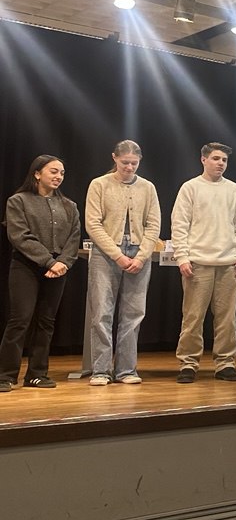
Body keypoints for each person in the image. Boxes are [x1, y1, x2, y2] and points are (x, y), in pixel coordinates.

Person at [171, 142, 236, 383]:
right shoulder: (191, 187)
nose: (221, 163)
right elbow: (179, 224)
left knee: (227, 319)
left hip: (229, 263)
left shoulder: (234, 189)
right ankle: (188, 363)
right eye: (216, 158)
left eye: (224, 160)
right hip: (198, 262)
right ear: (203, 159)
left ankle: (225, 363)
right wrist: (182, 256)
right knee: (193, 317)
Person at [83, 140, 161, 385]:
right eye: (125, 162)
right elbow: (92, 223)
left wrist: (141, 256)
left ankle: (126, 370)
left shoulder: (148, 187)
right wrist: (117, 254)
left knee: (134, 313)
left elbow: (153, 225)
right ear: (114, 158)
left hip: (138, 252)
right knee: (101, 312)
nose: (129, 167)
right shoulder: (99, 184)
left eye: (134, 163)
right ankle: (101, 370)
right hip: (106, 252)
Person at [1, 156, 80, 391]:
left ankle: (37, 374)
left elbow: (74, 237)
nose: (58, 176)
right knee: (20, 320)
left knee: (46, 321)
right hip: (26, 266)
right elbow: (19, 236)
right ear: (37, 173)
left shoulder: (69, 206)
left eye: (62, 173)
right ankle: (6, 375)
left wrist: (63, 262)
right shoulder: (18, 201)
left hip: (57, 269)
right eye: (53, 171)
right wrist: (49, 261)